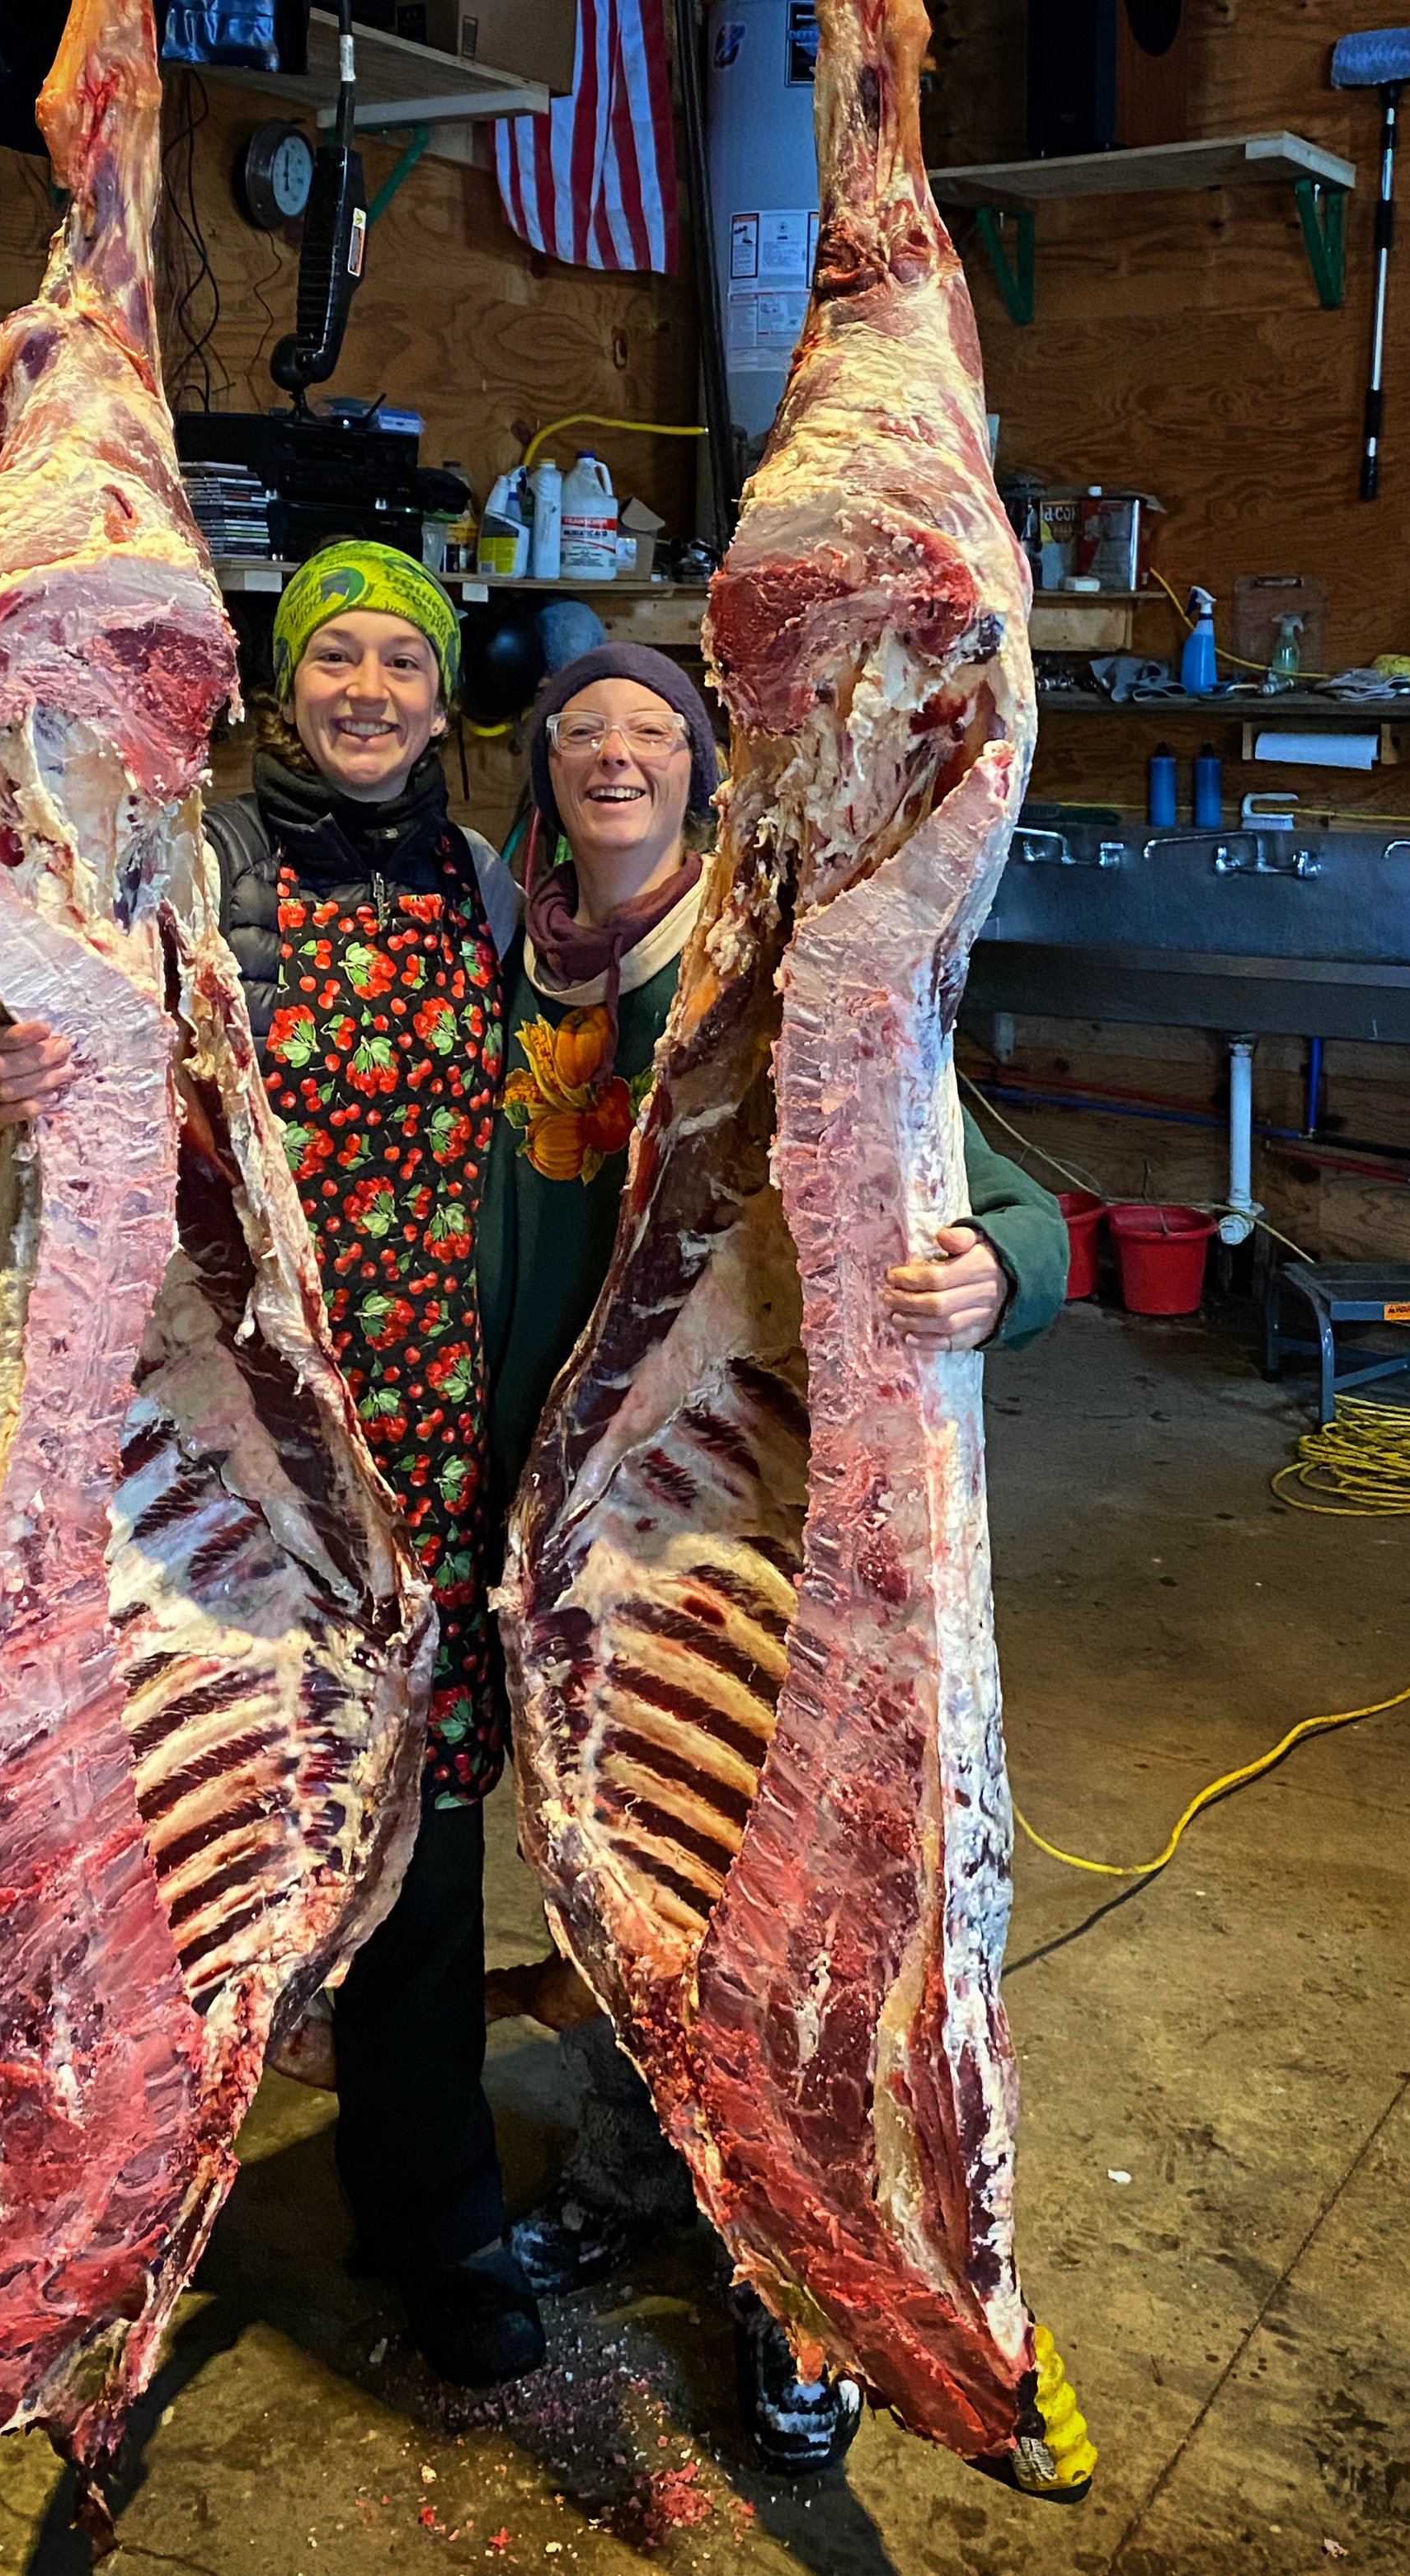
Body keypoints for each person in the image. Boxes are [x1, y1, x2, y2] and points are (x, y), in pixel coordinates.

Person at [0, 541, 543, 2390]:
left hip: (432, 1425)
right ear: (285, 687)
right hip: (224, 1436)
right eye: (336, 657)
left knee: (427, 1844)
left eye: (402, 663)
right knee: (201, 1821)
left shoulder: (489, 886)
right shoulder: (190, 874)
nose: (368, 688)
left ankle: (432, 2212)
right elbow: (18, 1120)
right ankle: (126, 2205)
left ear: (445, 702)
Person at [476, 644, 1070, 2477]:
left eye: (655, 728)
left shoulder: (781, 981)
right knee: (610, 1876)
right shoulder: (491, 978)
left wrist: (1003, 1273)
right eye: (584, 731)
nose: (618, 756)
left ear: (701, 774)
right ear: (542, 776)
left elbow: (1006, 1195)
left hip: (751, 1518)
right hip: (548, 1520)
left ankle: (785, 2282)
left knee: (773, 1889)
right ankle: (620, 2166)